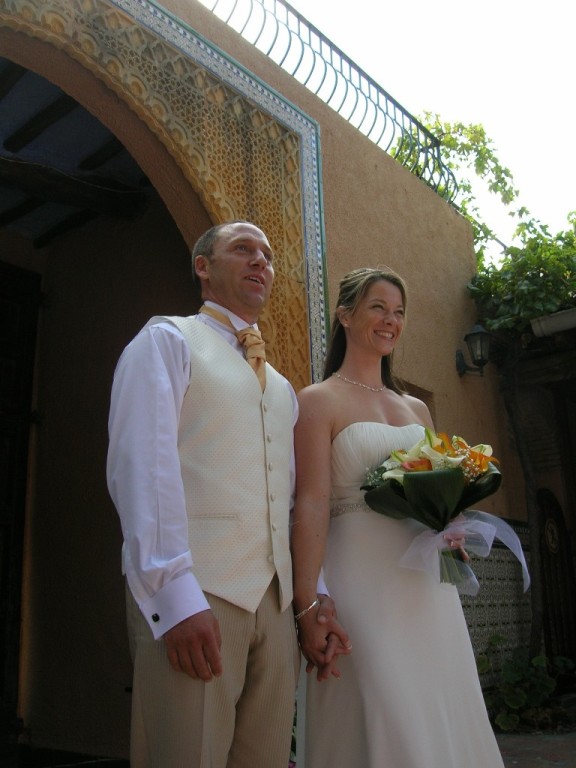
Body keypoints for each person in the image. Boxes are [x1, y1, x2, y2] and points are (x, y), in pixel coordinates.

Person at [106, 221, 345, 768]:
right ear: (203, 267)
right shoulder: (166, 342)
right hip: (198, 594)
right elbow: (142, 467)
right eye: (242, 249)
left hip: (275, 608)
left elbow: (287, 498)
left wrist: (310, 596)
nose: (261, 261)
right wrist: (174, 598)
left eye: (267, 255)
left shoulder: (281, 388)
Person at [291, 266, 505, 767]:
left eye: (399, 312)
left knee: (435, 704)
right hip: (359, 580)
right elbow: (311, 503)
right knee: (382, 704)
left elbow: (437, 491)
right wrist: (307, 603)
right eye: (378, 308)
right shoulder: (317, 401)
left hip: (424, 583)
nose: (391, 320)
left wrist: (451, 529)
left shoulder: (417, 409)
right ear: (345, 315)